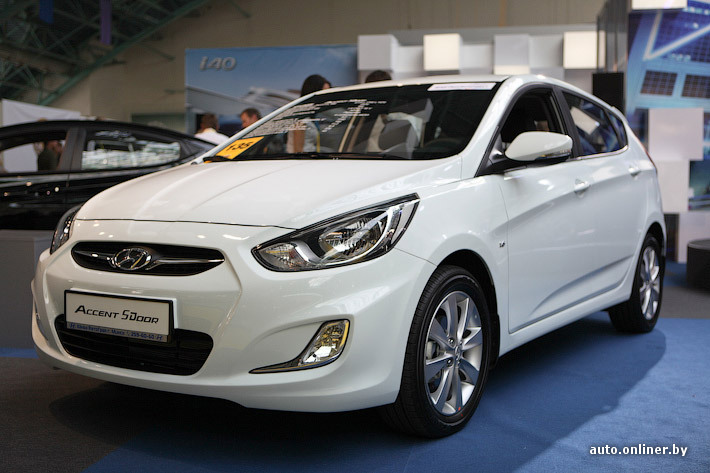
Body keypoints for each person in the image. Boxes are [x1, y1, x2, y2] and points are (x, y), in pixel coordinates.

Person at [288, 75, 331, 153]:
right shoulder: (301, 115)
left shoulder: (314, 116)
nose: (327, 97)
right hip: (303, 159)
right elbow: (297, 151)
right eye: (324, 93)